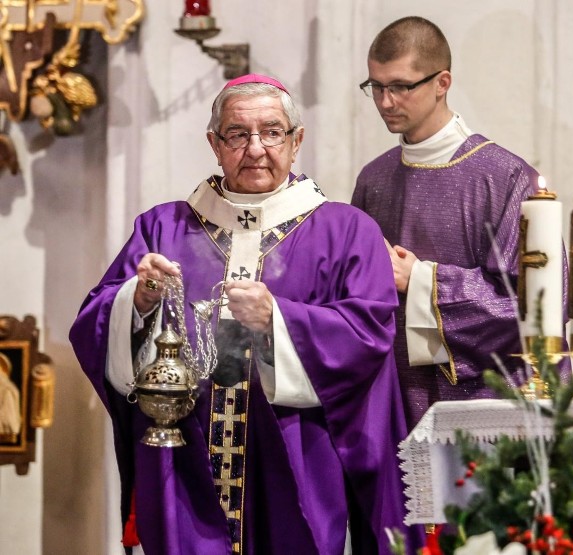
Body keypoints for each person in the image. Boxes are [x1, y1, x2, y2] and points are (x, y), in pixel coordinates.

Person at [69, 74, 417, 555]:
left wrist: (278, 319)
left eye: (272, 132)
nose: (255, 148)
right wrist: (137, 299)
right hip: (185, 461)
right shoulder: (162, 227)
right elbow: (93, 321)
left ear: (297, 142)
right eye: (237, 134)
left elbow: (368, 334)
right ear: (214, 144)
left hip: (297, 454)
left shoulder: (345, 229)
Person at [352, 16, 570, 430]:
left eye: (400, 86)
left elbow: (534, 309)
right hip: (395, 402)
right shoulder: (374, 180)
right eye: (376, 87)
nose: (385, 101)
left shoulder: (505, 177)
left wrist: (419, 280)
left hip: (488, 407)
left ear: (442, 82)